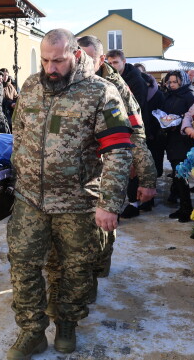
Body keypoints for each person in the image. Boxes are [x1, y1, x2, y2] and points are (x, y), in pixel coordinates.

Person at [6, 29, 133, 360]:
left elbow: (120, 151)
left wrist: (109, 203)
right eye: (46, 59)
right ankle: (32, 330)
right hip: (30, 198)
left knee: (76, 268)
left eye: (58, 60)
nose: (50, 67)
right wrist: (18, 168)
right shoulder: (31, 86)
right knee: (22, 264)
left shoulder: (101, 93)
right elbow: (18, 130)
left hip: (77, 201)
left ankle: (67, 323)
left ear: (76, 55)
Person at [45, 35, 156, 315]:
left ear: (101, 60)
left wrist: (147, 177)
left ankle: (96, 270)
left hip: (110, 167)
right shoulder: (67, 84)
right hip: (77, 178)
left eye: (89, 58)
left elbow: (135, 135)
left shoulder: (115, 89)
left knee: (103, 231)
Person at [106, 49, 157, 217]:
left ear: (124, 62)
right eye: (110, 62)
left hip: (134, 128)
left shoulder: (134, 81)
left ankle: (135, 204)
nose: (112, 66)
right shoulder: (110, 78)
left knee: (133, 167)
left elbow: (138, 109)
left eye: (116, 63)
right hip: (118, 128)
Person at [160, 70, 194, 220]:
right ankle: (183, 206)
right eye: (170, 82)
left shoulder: (190, 96)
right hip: (171, 139)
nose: (172, 85)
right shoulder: (169, 95)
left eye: (175, 82)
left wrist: (179, 121)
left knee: (181, 175)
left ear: (183, 81)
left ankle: (187, 209)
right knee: (177, 175)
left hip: (184, 141)